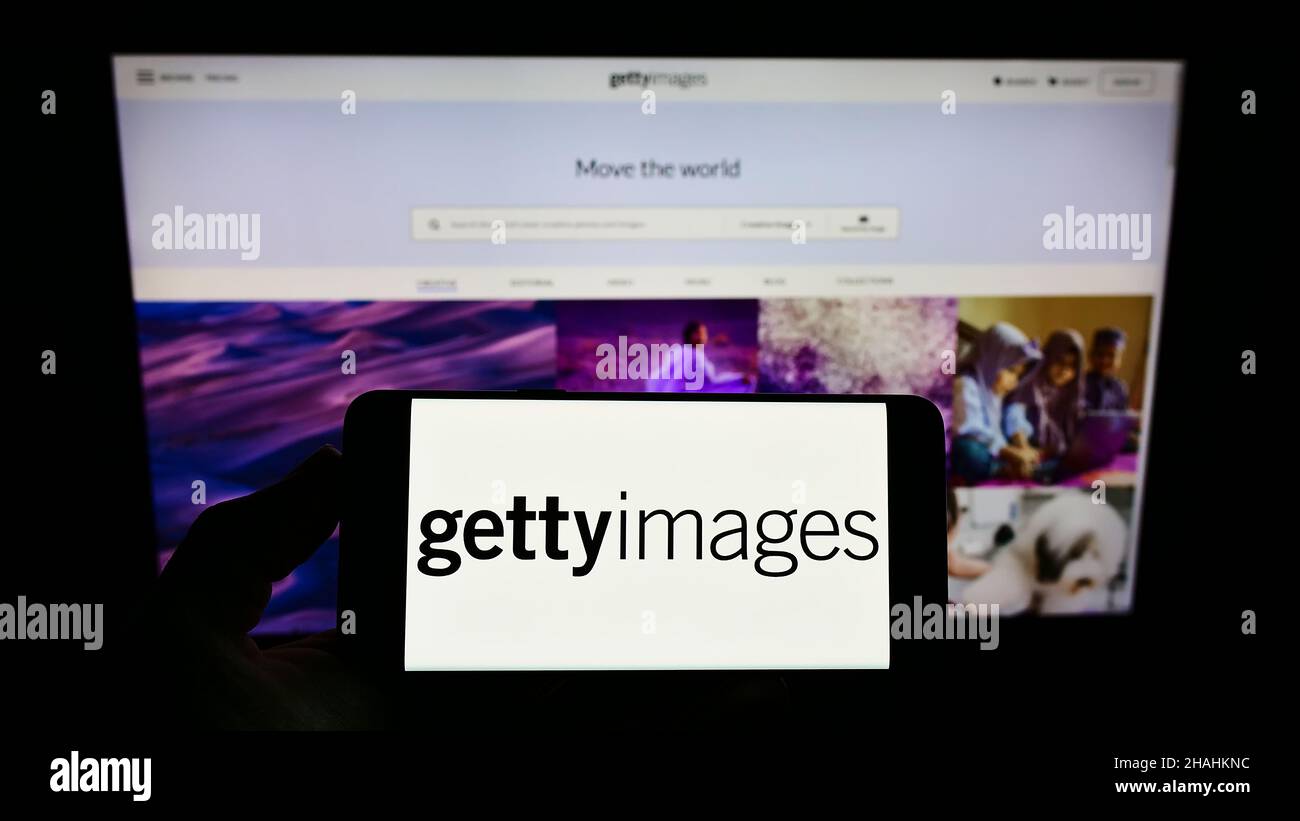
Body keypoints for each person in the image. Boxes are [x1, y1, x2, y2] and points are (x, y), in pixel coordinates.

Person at [950, 322, 1041, 483]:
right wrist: (1011, 453)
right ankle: (999, 469)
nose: (1015, 381)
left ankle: (1010, 468)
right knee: (969, 450)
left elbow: (1004, 428)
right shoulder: (965, 385)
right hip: (969, 453)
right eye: (1011, 371)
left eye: (1019, 375)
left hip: (992, 453)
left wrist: (1021, 450)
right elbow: (972, 432)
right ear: (990, 360)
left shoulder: (995, 395)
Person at [1004, 329, 1086, 481]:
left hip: (1053, 453)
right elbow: (1014, 414)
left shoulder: (1071, 392)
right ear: (1048, 358)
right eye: (1060, 362)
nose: (1065, 371)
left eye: (1072, 366)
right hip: (1026, 447)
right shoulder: (1031, 383)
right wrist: (1023, 448)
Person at [1084, 327, 1130, 411]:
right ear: (1090, 355)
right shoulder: (1079, 383)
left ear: (1120, 359)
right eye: (1100, 354)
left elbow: (1122, 418)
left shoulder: (1120, 388)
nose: (1105, 360)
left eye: (1111, 355)